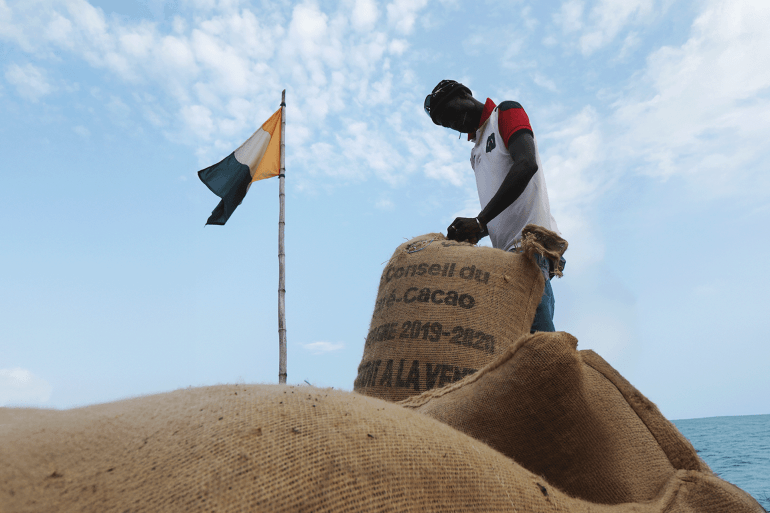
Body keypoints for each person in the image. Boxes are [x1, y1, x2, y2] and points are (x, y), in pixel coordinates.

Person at [424, 79, 564, 332]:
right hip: (508, 256)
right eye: (446, 124)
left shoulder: (505, 113)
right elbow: (502, 210)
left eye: (450, 114)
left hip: (529, 248)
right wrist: (477, 229)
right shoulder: (475, 153)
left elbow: (526, 164)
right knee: (518, 345)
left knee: (537, 345)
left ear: (464, 94)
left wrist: (479, 220)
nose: (452, 124)